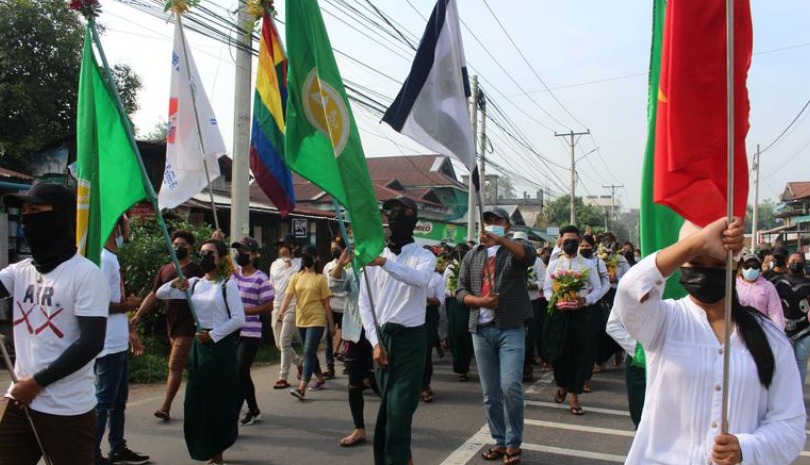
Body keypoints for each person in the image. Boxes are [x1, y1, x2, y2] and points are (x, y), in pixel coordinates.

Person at [613, 218, 805, 465]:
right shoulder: (663, 321)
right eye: (695, 261)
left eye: (717, 263)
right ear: (681, 264)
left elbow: (790, 426)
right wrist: (699, 241)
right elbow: (628, 292)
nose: (705, 271)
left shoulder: (771, 339)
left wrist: (746, 448)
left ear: (735, 268)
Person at [0, 184, 110, 465]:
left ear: (60, 217)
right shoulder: (21, 271)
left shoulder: (86, 275)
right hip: (20, 401)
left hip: (67, 409)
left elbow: (90, 343)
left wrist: (37, 383)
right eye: (23, 212)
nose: (26, 219)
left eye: (35, 210)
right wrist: (26, 388)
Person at [359, 197, 436, 465]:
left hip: (411, 342)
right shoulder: (374, 259)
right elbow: (365, 304)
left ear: (413, 220)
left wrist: (384, 264)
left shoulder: (423, 256)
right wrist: (375, 343)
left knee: (399, 410)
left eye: (400, 215)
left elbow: (420, 280)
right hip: (383, 341)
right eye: (389, 214)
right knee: (390, 412)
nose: (393, 219)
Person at [457, 207, 535, 465]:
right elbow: (459, 291)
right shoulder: (472, 256)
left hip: (510, 328)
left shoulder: (515, 248)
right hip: (480, 330)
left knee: (510, 387)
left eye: (497, 221)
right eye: (487, 220)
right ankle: (500, 441)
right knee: (490, 393)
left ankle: (514, 443)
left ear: (507, 225)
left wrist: (500, 239)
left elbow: (528, 257)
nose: (491, 224)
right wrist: (479, 301)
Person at [156, 239, 245, 465]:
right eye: (202, 253)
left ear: (222, 258)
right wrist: (176, 284)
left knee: (218, 401)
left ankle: (218, 453)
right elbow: (160, 294)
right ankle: (203, 447)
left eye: (210, 253)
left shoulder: (227, 285)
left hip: (220, 347)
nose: (205, 257)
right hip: (200, 348)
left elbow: (238, 319)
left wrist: (213, 334)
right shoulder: (194, 284)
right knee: (196, 400)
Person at [130, 230, 204, 421]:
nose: (179, 248)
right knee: (191, 366)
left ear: (191, 248)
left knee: (174, 365)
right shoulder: (165, 270)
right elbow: (154, 295)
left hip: (189, 326)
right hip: (172, 324)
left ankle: (165, 407)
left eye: (183, 245)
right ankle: (206, 395)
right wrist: (138, 315)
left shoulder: (197, 270)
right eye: (176, 244)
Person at [95, 218, 148, 465]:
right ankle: (91, 453)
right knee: (103, 403)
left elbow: (117, 299)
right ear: (117, 227)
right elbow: (98, 304)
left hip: (117, 341)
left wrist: (129, 330)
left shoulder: (111, 259)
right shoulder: (104, 260)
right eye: (127, 225)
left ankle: (117, 447)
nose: (130, 231)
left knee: (118, 402)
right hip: (106, 344)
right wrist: (130, 305)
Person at [542, 225, 603, 416]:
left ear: (579, 241)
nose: (570, 244)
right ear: (560, 241)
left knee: (579, 355)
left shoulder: (587, 265)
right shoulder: (554, 265)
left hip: (580, 314)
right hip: (559, 315)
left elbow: (599, 288)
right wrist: (555, 300)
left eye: (574, 241)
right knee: (558, 354)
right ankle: (562, 385)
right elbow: (547, 289)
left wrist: (586, 300)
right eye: (566, 240)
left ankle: (574, 396)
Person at [328, 247, 380, 447]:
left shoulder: (384, 271)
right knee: (354, 383)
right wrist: (341, 264)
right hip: (355, 334)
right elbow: (334, 286)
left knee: (382, 385)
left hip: (377, 336)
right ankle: (359, 429)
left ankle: (391, 428)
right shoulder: (353, 271)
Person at [279, 245, 334, 399]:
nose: (305, 259)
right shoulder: (297, 276)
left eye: (308, 256)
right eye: (304, 256)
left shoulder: (321, 278)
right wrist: (281, 312)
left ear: (316, 258)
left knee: (308, 352)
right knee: (310, 352)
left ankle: (302, 388)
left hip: (316, 319)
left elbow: (326, 304)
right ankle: (320, 378)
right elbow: (288, 296)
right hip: (301, 319)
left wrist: (330, 324)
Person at [231, 237, 274, 426]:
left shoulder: (261, 279)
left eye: (244, 251)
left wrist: (244, 311)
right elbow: (220, 265)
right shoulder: (234, 274)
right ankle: (253, 408)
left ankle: (236, 412)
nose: (240, 255)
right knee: (239, 373)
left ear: (254, 255)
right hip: (232, 331)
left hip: (251, 331)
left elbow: (268, 306)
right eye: (237, 251)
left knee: (241, 369)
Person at [269, 234, 303, 389]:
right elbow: (272, 283)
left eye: (285, 246)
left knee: (284, 341)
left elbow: (295, 281)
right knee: (279, 344)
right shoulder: (274, 264)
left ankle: (283, 377)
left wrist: (289, 262)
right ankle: (299, 362)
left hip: (292, 305)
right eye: (280, 246)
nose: (282, 249)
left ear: (293, 247)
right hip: (277, 305)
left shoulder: (299, 263)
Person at [772, 252, 810, 384]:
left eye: (798, 261)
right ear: (787, 263)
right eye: (793, 260)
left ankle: (798, 395)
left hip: (805, 330)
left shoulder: (807, 283)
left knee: (801, 362)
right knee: (783, 363)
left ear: (804, 264)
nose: (795, 263)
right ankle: (785, 394)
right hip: (782, 329)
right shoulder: (777, 282)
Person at [444, 243, 474, 381]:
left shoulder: (472, 266)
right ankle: (460, 367)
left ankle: (465, 366)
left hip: (469, 304)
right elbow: (443, 288)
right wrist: (452, 292)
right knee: (455, 335)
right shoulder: (450, 268)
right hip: (455, 305)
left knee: (467, 336)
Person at [736, 253, 784, 330]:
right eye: (747, 266)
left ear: (759, 268)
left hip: (761, 331)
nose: (750, 269)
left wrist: (778, 333)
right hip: (738, 330)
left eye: (754, 266)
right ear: (741, 268)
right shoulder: (733, 285)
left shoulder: (768, 286)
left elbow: (775, 313)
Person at [323, 237, 349, 379]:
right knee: (328, 339)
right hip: (332, 306)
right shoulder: (328, 266)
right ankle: (330, 367)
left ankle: (348, 364)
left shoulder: (349, 265)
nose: (334, 252)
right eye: (332, 249)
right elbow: (325, 286)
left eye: (337, 249)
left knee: (347, 338)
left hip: (346, 307)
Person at [421, 250, 445, 402]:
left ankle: (425, 386)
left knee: (425, 350)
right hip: (411, 314)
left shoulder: (437, 278)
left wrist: (427, 299)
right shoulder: (410, 273)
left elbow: (440, 300)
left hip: (429, 314)